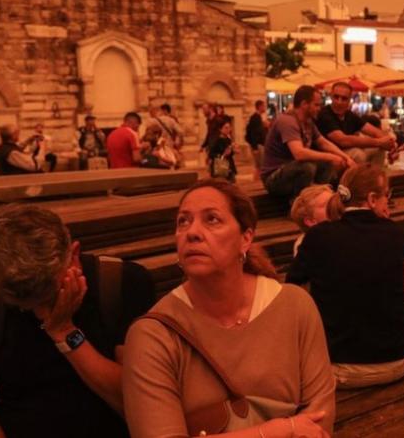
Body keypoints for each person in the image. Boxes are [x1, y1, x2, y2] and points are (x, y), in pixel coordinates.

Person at [122, 180, 335, 437]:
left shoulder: (295, 306)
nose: (192, 232)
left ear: (245, 239)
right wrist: (277, 430)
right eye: (183, 221)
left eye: (212, 219)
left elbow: (320, 418)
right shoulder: (153, 335)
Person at [0, 203, 155, 437]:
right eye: (24, 303)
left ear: (73, 256)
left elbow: (140, 403)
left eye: (47, 295)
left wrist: (64, 331)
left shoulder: (122, 284)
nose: (40, 309)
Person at [286, 165, 404, 389]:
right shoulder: (398, 235)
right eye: (387, 195)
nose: (389, 201)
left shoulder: (318, 237)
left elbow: (291, 287)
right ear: (372, 198)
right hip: (401, 359)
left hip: (341, 367)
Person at [261, 85, 354, 202]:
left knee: (325, 164)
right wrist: (331, 157)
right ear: (304, 104)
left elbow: (323, 143)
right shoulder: (287, 121)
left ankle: (319, 198)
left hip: (290, 171)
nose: (319, 108)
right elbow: (299, 153)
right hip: (273, 178)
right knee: (306, 167)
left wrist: (345, 157)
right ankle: (298, 203)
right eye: (316, 105)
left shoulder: (308, 122)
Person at [316, 82, 396, 167]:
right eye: (336, 97)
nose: (339, 102)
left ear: (349, 99)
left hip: (346, 152)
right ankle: (360, 179)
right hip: (329, 154)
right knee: (358, 154)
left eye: (344, 98)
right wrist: (379, 142)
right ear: (331, 96)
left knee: (378, 150)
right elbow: (343, 140)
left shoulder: (349, 115)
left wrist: (391, 144)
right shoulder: (324, 114)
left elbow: (374, 132)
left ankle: (374, 179)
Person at [289, 184, 335, 256]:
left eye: (335, 200)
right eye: (327, 204)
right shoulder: (306, 247)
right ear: (310, 221)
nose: (335, 205)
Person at [246, 99, 269, 176]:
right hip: (258, 145)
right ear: (259, 107)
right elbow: (254, 133)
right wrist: (254, 147)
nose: (265, 108)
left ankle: (257, 180)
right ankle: (257, 181)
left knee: (260, 165)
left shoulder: (258, 117)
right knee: (259, 165)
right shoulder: (255, 118)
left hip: (260, 144)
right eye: (264, 106)